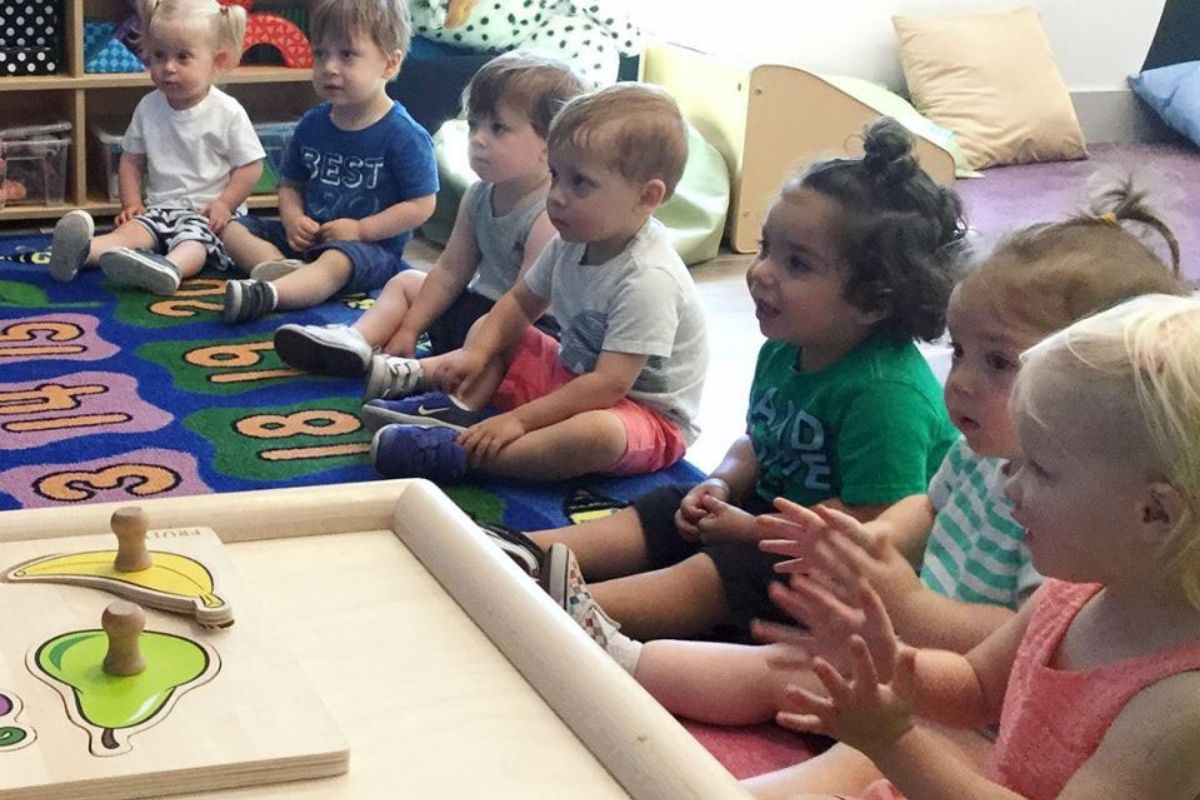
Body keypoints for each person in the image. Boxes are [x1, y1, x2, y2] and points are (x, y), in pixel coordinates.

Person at [480, 117, 967, 644]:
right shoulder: (787, 347)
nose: (762, 272)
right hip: (777, 522)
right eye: (766, 248)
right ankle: (527, 549)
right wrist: (721, 482)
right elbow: (760, 442)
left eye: (797, 264)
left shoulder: (885, 394)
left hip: (842, 574)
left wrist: (751, 530)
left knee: (729, 569)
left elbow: (873, 527)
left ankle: (571, 611)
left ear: (874, 300)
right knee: (670, 507)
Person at [764, 291, 1200, 800]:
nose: (1007, 486)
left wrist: (893, 742)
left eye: (1040, 469)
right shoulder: (1073, 595)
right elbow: (975, 687)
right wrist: (889, 660)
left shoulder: (1180, 701)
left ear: (1155, 513)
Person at [368, 83, 707, 483]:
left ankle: (468, 455)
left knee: (594, 432)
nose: (557, 196)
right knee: (490, 326)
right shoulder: (571, 241)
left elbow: (609, 386)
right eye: (555, 176)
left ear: (647, 196)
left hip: (642, 415)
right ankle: (458, 406)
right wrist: (476, 354)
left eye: (580, 183)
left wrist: (517, 421)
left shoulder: (648, 278)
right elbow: (518, 304)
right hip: (577, 377)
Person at [270, 51, 584, 381]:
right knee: (408, 282)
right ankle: (356, 340)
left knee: (491, 330)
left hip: (527, 334)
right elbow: (450, 271)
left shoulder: (548, 215)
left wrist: (479, 337)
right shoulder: (479, 194)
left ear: (551, 145)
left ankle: (417, 374)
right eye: (474, 123)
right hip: (478, 311)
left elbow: (523, 306)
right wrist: (411, 328)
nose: (477, 139)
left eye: (498, 128)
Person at [218, 0, 438, 324]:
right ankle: (282, 271)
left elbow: (422, 204)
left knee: (336, 261)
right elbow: (291, 184)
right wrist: (293, 220)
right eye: (321, 54)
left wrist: (362, 230)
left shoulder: (404, 135)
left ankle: (270, 294)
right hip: (311, 236)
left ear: (389, 64)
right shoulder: (312, 124)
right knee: (233, 228)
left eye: (347, 55)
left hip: (369, 249)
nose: (329, 67)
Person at [47, 0, 263, 295]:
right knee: (130, 232)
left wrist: (225, 204)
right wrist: (132, 204)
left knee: (194, 242)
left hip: (208, 213)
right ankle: (79, 253)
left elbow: (250, 166)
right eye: (159, 55)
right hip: (160, 208)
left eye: (183, 57)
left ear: (217, 61)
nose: (168, 68)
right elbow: (131, 161)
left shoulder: (227, 111)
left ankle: (169, 268)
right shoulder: (148, 107)